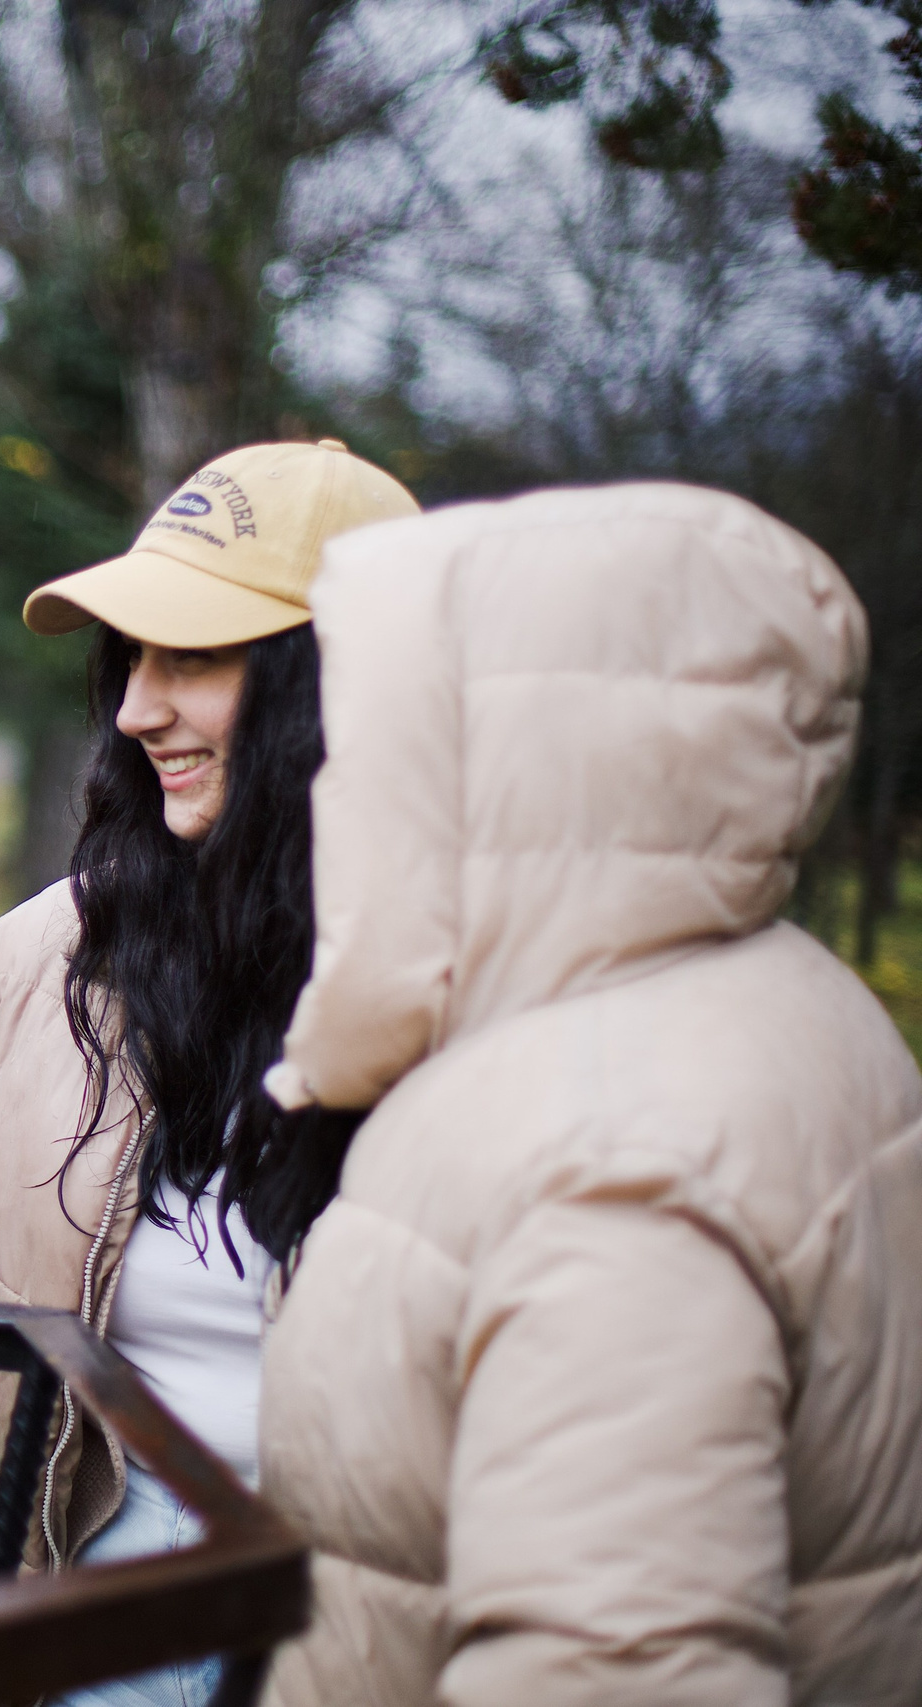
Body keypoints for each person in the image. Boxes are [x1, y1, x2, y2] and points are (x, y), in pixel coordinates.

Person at [254, 484, 922, 1703]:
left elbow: (616, 1669)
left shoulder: (605, 1151)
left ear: (516, 758)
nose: (327, 790)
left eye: (373, 740)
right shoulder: (778, 1008)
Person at [0, 441, 419, 1705]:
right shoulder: (39, 963)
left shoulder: (474, 991)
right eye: (132, 657)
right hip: (85, 1621)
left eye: (197, 656)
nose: (134, 709)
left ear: (340, 678)